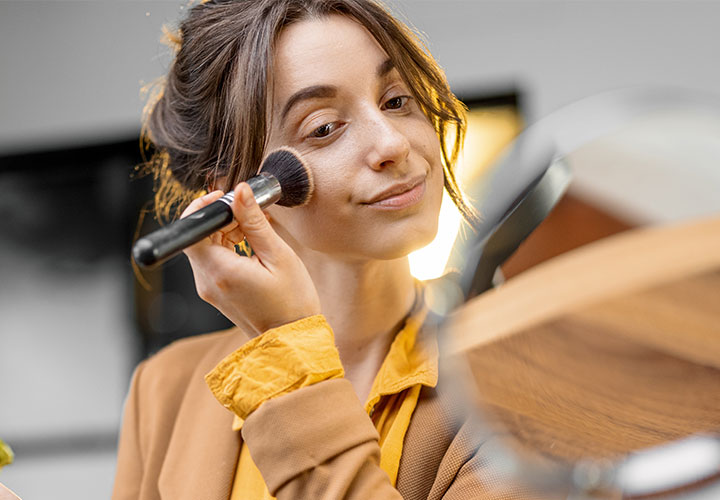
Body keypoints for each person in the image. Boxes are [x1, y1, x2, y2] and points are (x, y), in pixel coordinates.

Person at [113, 1, 516, 499]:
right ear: (237, 192)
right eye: (324, 127)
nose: (391, 142)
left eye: (396, 100)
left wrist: (288, 354)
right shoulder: (164, 389)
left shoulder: (520, 375)